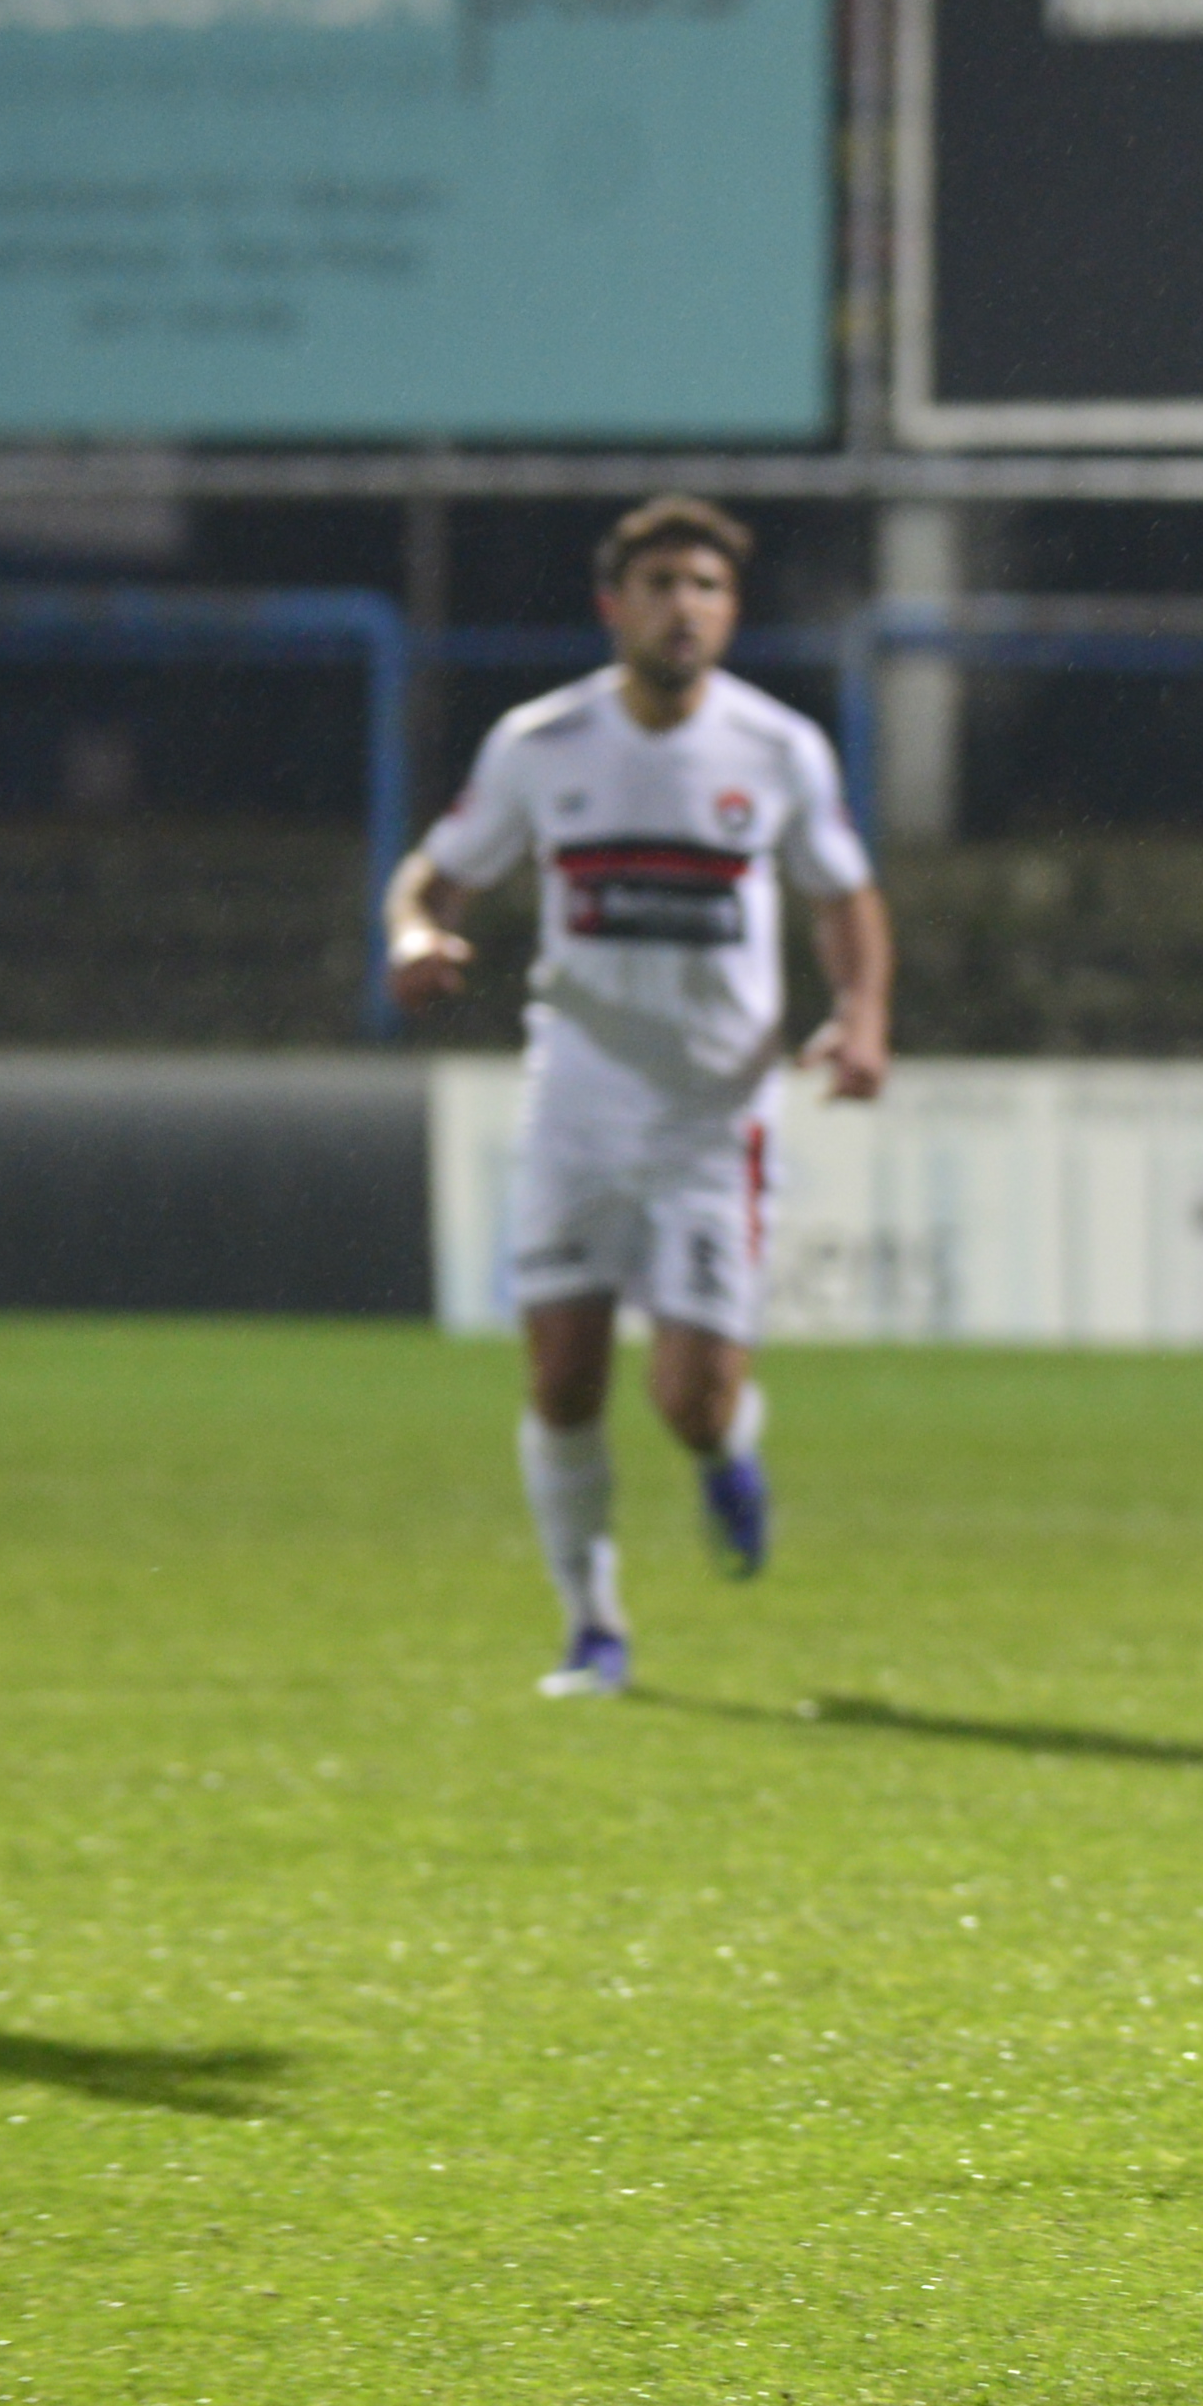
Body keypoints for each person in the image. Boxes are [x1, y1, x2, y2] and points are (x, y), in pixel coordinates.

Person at [384, 495, 888, 1695]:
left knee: (691, 1399)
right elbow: (438, 875)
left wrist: (861, 1015)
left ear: (731, 610)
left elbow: (845, 896)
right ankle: (594, 1628)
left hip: (714, 1113)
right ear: (615, 605)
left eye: (705, 587)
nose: (683, 607)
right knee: (562, 1374)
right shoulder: (540, 743)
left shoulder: (777, 751)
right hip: (578, 1097)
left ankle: (729, 1456)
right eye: (660, 584)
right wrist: (411, 934)